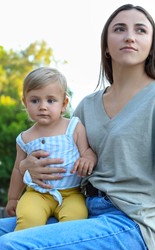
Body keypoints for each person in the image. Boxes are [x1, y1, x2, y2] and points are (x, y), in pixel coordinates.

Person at [0, 4, 155, 250]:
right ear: (106, 46)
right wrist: (29, 167)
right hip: (82, 209)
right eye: (119, 29)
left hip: (130, 224)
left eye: (141, 30)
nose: (130, 36)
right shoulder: (87, 106)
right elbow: (67, 160)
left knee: (9, 248)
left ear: (151, 45)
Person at [6, 67, 96, 231]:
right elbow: (18, 170)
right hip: (37, 193)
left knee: (75, 220)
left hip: (72, 193)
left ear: (64, 104)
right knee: (28, 219)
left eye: (50, 100)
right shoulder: (24, 138)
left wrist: (87, 159)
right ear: (25, 103)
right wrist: (13, 198)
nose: (42, 106)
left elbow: (87, 151)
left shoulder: (73, 127)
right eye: (34, 101)